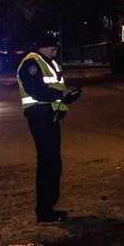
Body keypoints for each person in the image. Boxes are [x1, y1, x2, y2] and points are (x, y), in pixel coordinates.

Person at [16, 32, 80, 223]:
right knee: (47, 162)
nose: (56, 51)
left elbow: (55, 91)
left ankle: (49, 207)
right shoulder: (31, 63)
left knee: (53, 163)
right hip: (39, 117)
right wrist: (60, 96)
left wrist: (66, 99)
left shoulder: (51, 64)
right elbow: (36, 91)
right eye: (54, 48)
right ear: (46, 46)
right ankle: (44, 211)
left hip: (51, 117)